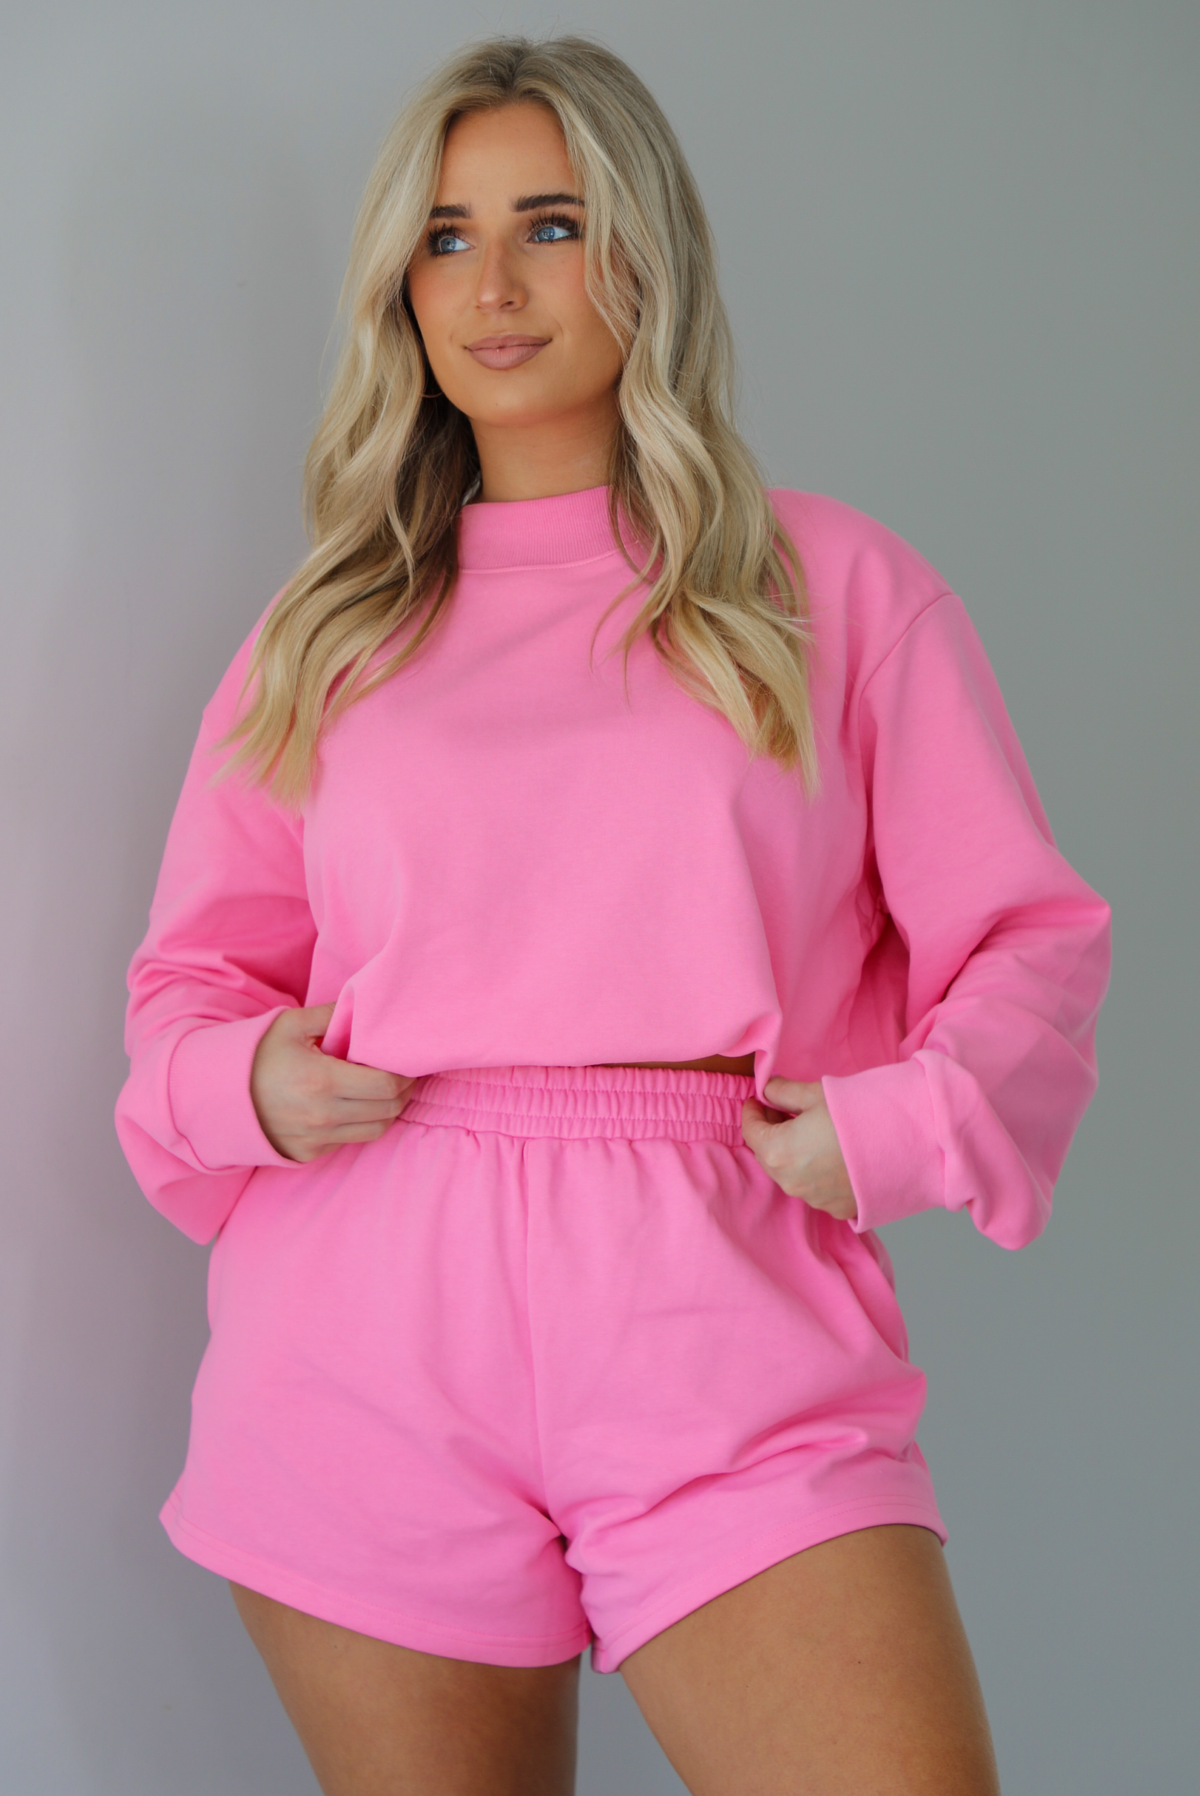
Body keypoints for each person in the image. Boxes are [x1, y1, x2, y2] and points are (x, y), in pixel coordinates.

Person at [115, 33, 1110, 1796]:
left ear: (642, 249)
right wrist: (247, 1088)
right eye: (444, 236)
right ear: (397, 286)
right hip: (367, 1321)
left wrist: (901, 1127)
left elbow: (1028, 941)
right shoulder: (331, 632)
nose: (492, 284)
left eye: (551, 224)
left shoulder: (832, 588)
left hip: (721, 1304)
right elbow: (190, 982)